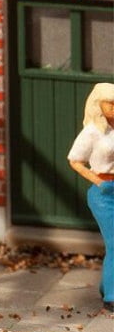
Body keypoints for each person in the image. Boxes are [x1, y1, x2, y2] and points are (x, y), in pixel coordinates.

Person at [67, 82, 114, 312]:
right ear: (99, 104)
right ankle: (112, 296)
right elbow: (75, 160)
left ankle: (108, 287)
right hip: (104, 192)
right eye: (110, 103)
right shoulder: (93, 132)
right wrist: (99, 182)